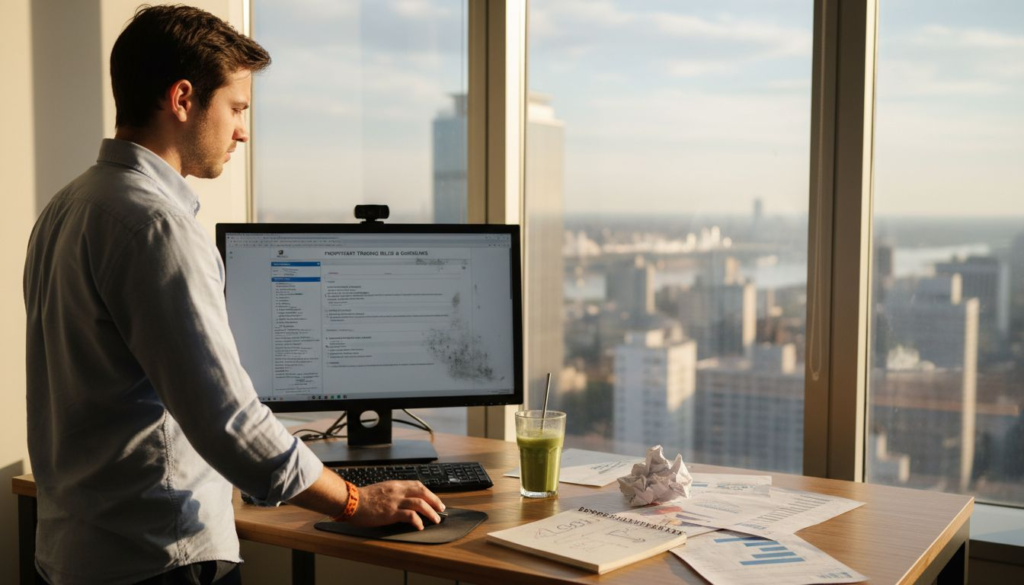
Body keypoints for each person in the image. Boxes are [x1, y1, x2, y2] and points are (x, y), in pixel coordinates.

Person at [23, 5, 443, 585]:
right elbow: (229, 419)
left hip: (75, 552)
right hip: (158, 557)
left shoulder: (67, 207)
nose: (243, 130)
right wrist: (355, 501)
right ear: (183, 99)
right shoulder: (155, 228)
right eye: (237, 109)